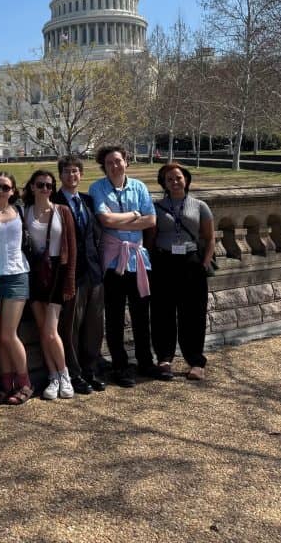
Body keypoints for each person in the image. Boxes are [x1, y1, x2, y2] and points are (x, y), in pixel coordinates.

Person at [88, 145, 162, 387]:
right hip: (112, 261)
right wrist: (133, 214)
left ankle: (145, 361)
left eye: (118, 161)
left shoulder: (139, 186)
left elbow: (151, 220)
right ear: (104, 166)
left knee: (142, 314)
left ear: (126, 162)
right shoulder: (98, 187)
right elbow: (104, 219)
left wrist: (122, 222)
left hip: (137, 260)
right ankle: (120, 366)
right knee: (115, 315)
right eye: (109, 163)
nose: (115, 166)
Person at [145, 163, 215, 382]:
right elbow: (151, 237)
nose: (174, 182)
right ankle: (164, 359)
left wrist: (204, 263)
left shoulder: (199, 205)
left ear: (186, 179)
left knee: (193, 314)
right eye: (169, 179)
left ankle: (195, 361)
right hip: (164, 262)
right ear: (164, 184)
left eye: (178, 178)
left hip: (191, 263)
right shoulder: (156, 206)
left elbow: (209, 237)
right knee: (161, 312)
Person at [52, 155, 106, 394]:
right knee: (71, 325)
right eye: (66, 172)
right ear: (60, 175)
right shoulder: (54, 201)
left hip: (94, 271)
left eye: (75, 171)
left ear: (81, 175)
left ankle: (90, 369)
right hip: (71, 273)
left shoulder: (88, 200)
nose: (71, 176)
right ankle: (73, 373)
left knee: (94, 325)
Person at [22, 170, 77, 400]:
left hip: (57, 271)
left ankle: (65, 374)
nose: (45, 189)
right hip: (35, 272)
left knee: (50, 330)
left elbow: (72, 249)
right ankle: (53, 375)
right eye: (40, 185)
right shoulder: (25, 212)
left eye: (48, 185)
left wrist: (70, 280)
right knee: (42, 328)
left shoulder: (62, 211)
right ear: (32, 187)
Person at [0, 171, 34, 406]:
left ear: (13, 191)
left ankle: (24, 383)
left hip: (16, 275)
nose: (0, 191)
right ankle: (7, 384)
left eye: (5, 187)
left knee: (8, 334)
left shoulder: (19, 211)